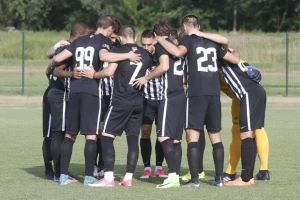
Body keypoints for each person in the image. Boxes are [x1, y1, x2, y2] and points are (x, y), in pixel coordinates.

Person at [53, 14, 141, 186]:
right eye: (111, 32)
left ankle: (63, 176)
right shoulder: (104, 40)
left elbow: (56, 59)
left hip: (74, 91)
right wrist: (127, 56)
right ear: (109, 29)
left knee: (70, 134)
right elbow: (103, 57)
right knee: (91, 136)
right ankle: (88, 176)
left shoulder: (79, 40)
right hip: (92, 92)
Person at [154, 14, 239, 187]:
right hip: (214, 94)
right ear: (198, 26)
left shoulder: (188, 40)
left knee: (193, 136)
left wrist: (160, 39)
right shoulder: (212, 42)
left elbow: (177, 52)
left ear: (185, 27)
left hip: (196, 94)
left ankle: (194, 180)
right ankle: (219, 179)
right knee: (216, 136)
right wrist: (235, 51)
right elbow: (234, 58)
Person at [84, 25, 153, 187]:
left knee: (106, 137)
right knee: (132, 140)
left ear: (121, 38)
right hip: (138, 102)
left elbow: (108, 72)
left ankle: (108, 178)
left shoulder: (119, 52)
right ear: (135, 38)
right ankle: (128, 178)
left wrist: (93, 74)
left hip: (121, 101)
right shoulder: (145, 53)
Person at [133, 20, 186, 188]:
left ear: (155, 35)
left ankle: (172, 176)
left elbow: (163, 67)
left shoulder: (163, 46)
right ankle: (175, 175)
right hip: (180, 94)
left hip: (168, 96)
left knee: (163, 136)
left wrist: (145, 77)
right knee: (175, 139)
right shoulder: (176, 47)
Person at [46, 22, 90, 182]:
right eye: (87, 35)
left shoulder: (64, 47)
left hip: (55, 93)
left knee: (60, 133)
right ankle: (59, 174)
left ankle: (59, 172)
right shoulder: (70, 49)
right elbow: (56, 70)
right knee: (60, 133)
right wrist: (73, 75)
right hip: (60, 95)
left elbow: (48, 66)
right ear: (80, 35)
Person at [217, 50, 267, 186]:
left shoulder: (216, 54)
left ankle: (248, 177)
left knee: (248, 134)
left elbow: (254, 72)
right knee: (245, 134)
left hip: (248, 94)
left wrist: (251, 71)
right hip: (243, 97)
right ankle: (245, 176)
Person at [93, 18, 122, 178]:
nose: (110, 40)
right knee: (96, 131)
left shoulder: (118, 50)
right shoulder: (97, 44)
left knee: (106, 132)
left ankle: (103, 164)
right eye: (111, 37)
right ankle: (94, 165)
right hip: (98, 94)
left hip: (113, 95)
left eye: (113, 38)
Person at [139, 29, 167, 179]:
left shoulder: (162, 55)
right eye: (143, 44)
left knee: (161, 134)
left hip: (162, 99)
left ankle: (159, 167)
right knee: (145, 132)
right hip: (146, 99)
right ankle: (146, 167)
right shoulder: (139, 55)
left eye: (149, 44)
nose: (146, 48)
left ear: (154, 42)